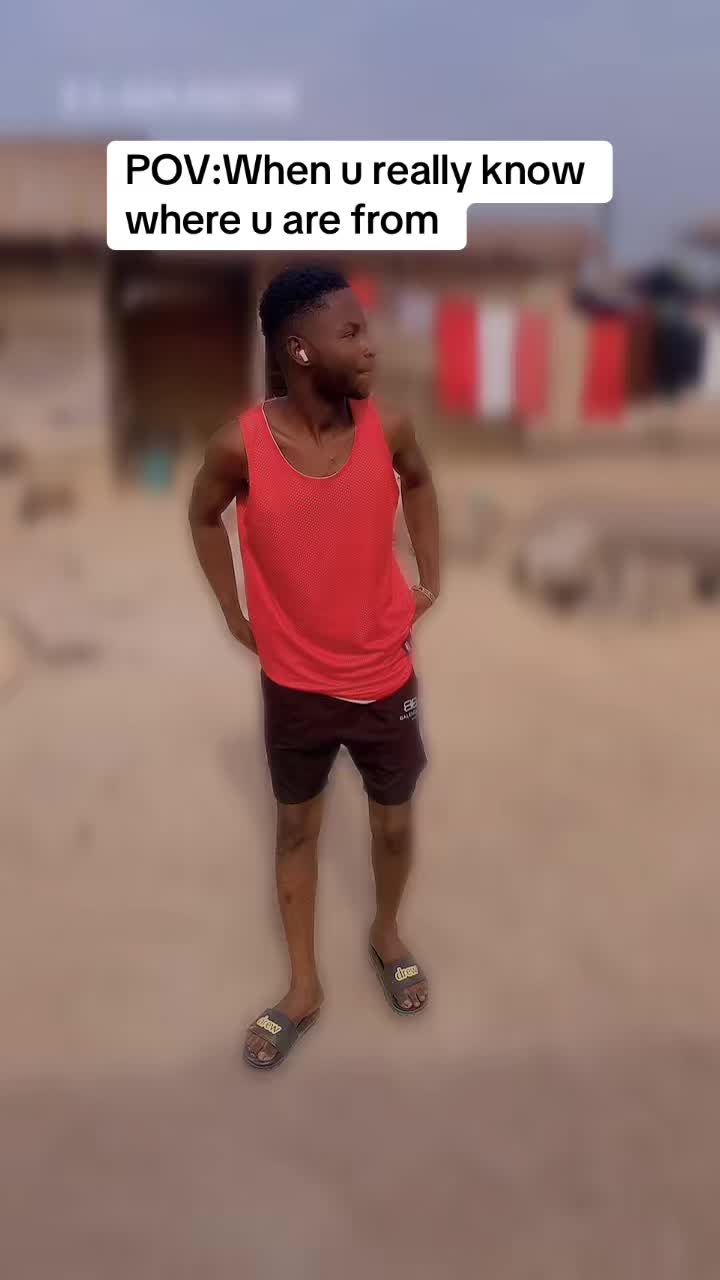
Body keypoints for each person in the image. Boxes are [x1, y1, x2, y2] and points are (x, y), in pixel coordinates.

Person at [189, 265, 440, 1070]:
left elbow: (420, 482)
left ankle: (386, 932)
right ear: (299, 350)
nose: (371, 346)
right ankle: (303, 986)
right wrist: (233, 611)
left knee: (393, 822)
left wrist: (429, 577)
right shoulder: (240, 446)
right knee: (297, 827)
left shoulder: (389, 428)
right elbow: (202, 515)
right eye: (352, 332)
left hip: (384, 678)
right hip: (294, 686)